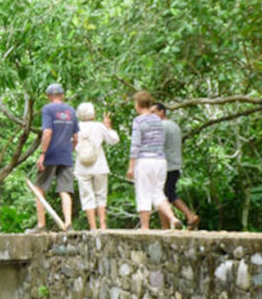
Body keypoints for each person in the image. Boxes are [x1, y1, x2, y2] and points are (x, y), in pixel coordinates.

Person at [126, 91, 177, 230]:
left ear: (138, 104)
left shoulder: (139, 121)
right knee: (158, 193)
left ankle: (145, 226)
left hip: (145, 160)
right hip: (160, 160)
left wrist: (131, 166)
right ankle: (172, 217)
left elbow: (135, 145)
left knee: (143, 193)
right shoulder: (158, 121)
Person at [33, 83, 80, 231]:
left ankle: (41, 225)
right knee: (65, 190)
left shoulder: (47, 109)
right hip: (65, 155)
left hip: (51, 154)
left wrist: (42, 154)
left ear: (48, 96)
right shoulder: (71, 111)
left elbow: (47, 132)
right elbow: (76, 137)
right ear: (62, 95)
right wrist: (69, 149)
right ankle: (68, 223)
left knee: (39, 188)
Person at [151, 103, 200, 230]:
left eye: (154, 112)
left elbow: (156, 146)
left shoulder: (161, 126)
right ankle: (180, 219)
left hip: (165, 166)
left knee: (162, 196)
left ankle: (184, 217)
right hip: (175, 165)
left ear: (162, 112)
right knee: (168, 194)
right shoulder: (174, 126)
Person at [73, 102, 120, 230]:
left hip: (82, 165)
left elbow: (70, 144)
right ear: (93, 114)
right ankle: (103, 225)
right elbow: (114, 140)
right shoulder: (99, 126)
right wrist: (108, 127)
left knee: (87, 196)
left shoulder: (75, 127)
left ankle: (93, 227)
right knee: (101, 194)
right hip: (99, 164)